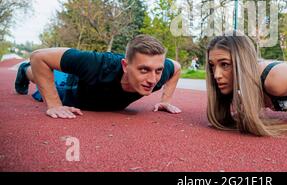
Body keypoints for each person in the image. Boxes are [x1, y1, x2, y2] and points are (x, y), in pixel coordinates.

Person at [14, 34, 182, 119]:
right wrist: (54, 104)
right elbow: (38, 56)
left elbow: (177, 68)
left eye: (158, 70)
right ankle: (24, 71)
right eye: (144, 70)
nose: (153, 80)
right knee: (39, 76)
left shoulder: (160, 73)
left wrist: (165, 101)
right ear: (125, 66)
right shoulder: (98, 64)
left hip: (98, 98)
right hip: (71, 87)